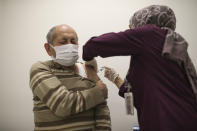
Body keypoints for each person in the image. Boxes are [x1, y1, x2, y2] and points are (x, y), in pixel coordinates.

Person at [82, 5, 197, 131]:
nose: (129, 30)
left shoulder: (149, 34)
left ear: (144, 22)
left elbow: (94, 45)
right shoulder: (170, 44)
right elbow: (141, 93)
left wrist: (89, 59)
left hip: (167, 122)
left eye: (131, 26)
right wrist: (115, 79)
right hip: (186, 119)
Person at [29, 24, 111, 131]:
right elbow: (62, 105)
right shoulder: (41, 68)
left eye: (73, 41)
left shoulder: (87, 69)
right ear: (48, 48)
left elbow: (102, 109)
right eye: (63, 42)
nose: (70, 45)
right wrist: (98, 92)